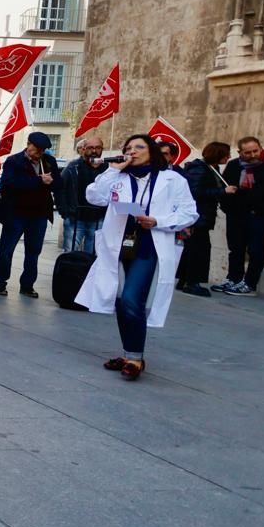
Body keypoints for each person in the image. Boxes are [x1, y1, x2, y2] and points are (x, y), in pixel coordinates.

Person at [77, 133, 197, 381]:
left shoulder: (171, 179)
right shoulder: (118, 177)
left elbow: (189, 212)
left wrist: (158, 221)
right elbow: (94, 196)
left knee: (132, 298)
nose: (132, 151)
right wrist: (112, 171)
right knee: (121, 299)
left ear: (151, 151)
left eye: (139, 147)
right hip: (119, 243)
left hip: (150, 243)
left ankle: (136, 357)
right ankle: (129, 353)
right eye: (128, 147)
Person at [214, 136, 264, 296]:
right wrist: (227, 207)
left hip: (258, 215)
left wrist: (261, 209)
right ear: (240, 152)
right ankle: (234, 278)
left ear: (261, 148)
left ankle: (250, 283)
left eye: (255, 150)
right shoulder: (234, 165)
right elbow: (224, 186)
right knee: (235, 248)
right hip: (236, 214)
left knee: (256, 250)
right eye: (247, 152)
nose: (252, 155)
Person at [0, 132, 60, 298]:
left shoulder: (48, 162)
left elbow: (59, 182)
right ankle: (0, 282)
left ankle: (28, 285)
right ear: (28, 145)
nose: (39, 153)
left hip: (39, 214)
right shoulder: (14, 161)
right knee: (7, 250)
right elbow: (8, 183)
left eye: (42, 150)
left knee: (34, 251)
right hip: (16, 213)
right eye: (36, 149)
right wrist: (38, 181)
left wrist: (53, 181)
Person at [176, 141, 230, 296]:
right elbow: (195, 192)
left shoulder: (213, 169)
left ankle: (185, 279)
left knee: (193, 249)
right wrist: (222, 191)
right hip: (198, 216)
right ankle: (192, 282)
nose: (229, 157)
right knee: (199, 250)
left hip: (204, 216)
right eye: (226, 154)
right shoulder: (199, 169)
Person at [56, 135, 107, 254]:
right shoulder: (73, 167)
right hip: (75, 218)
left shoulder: (107, 168)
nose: (94, 151)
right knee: (70, 253)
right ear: (84, 149)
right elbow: (60, 188)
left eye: (98, 148)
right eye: (90, 147)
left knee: (92, 255)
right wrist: (65, 212)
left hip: (97, 219)